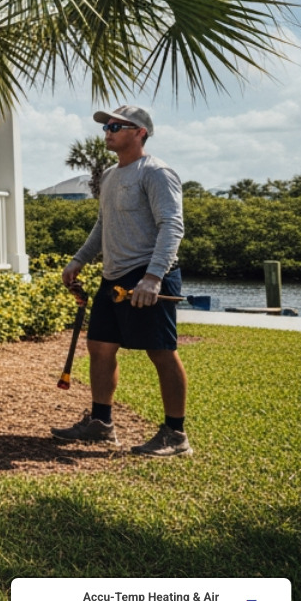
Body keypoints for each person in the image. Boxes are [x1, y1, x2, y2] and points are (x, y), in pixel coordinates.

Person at [54, 105, 191, 456]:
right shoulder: (112, 176)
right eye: (106, 126)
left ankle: (175, 436)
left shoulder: (156, 173)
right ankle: (101, 425)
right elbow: (103, 227)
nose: (108, 132)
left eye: (116, 126)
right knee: (99, 348)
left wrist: (153, 277)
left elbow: (172, 226)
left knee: (161, 352)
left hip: (146, 275)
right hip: (112, 276)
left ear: (140, 132)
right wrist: (78, 260)